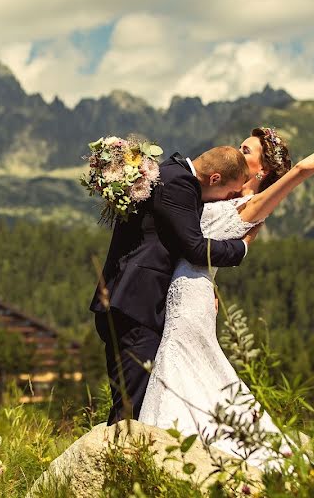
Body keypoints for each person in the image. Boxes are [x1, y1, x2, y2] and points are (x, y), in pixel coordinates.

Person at [139, 120, 314, 468]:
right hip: (185, 288)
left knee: (179, 361)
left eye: (246, 151)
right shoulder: (228, 195)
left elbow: (302, 169)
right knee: (192, 365)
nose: (237, 152)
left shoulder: (258, 203)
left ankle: (175, 449)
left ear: (263, 169)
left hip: (189, 293)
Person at [90, 145, 260, 425]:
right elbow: (194, 248)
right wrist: (240, 248)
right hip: (136, 304)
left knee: (132, 400)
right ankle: (119, 464)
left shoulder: (169, 171)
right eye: (230, 192)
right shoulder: (181, 183)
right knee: (132, 407)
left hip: (128, 301)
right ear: (215, 179)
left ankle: (122, 460)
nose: (229, 198)